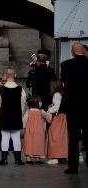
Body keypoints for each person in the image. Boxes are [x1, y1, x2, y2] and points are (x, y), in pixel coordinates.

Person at [60, 42, 88, 174]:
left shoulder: (65, 65)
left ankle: (73, 166)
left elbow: (64, 81)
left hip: (72, 106)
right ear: (84, 51)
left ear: (72, 51)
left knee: (73, 137)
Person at [0, 67, 26, 165]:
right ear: (15, 75)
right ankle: (18, 159)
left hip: (4, 116)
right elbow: (22, 105)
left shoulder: (0, 90)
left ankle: (4, 159)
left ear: (6, 76)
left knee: (4, 137)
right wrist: (19, 115)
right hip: (16, 116)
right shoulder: (21, 90)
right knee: (16, 137)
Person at [46, 79, 68, 165]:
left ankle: (56, 156)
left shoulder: (56, 94)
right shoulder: (61, 94)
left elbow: (57, 107)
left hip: (58, 117)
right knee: (61, 137)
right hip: (62, 117)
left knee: (54, 136)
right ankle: (62, 156)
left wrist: (49, 109)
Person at [23, 95, 50, 164]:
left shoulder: (28, 112)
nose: (41, 103)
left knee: (29, 144)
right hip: (39, 132)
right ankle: (38, 159)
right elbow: (49, 119)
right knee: (38, 144)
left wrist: (25, 128)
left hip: (29, 131)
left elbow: (24, 122)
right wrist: (50, 111)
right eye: (40, 101)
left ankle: (28, 159)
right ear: (36, 103)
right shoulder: (42, 112)